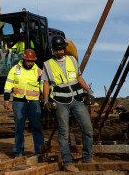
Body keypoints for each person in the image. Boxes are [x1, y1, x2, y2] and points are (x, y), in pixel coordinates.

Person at [42, 35, 94, 173]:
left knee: (88, 129)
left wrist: (88, 91)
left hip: (77, 99)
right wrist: (46, 99)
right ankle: (67, 162)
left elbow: (79, 77)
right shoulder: (47, 64)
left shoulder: (72, 60)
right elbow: (46, 83)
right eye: (57, 50)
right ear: (53, 50)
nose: (60, 52)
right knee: (64, 133)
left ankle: (88, 157)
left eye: (62, 49)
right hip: (60, 102)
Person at [3, 48, 44, 158]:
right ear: (24, 59)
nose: (30, 63)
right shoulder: (15, 69)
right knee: (19, 127)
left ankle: (40, 151)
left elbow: (43, 86)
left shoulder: (39, 71)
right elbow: (8, 85)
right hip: (18, 102)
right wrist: (6, 99)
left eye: (32, 61)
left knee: (36, 127)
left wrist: (47, 99)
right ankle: (18, 152)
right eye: (28, 60)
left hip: (34, 102)